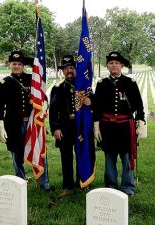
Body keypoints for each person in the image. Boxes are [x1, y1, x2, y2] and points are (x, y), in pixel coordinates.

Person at [0, 49, 50, 190]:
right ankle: (20, 183)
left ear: (23, 65)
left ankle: (44, 184)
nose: (16, 66)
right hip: (14, 124)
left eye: (19, 63)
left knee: (39, 151)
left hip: (32, 123)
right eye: (14, 63)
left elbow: (43, 97)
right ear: (10, 65)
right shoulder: (4, 83)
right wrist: (0, 125)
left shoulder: (32, 79)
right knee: (17, 153)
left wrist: (44, 105)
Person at [93, 51, 145, 196]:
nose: (114, 65)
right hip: (107, 127)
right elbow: (96, 107)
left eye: (116, 63)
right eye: (111, 63)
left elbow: (139, 106)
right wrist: (96, 126)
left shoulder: (130, 83)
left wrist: (140, 124)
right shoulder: (101, 84)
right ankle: (111, 186)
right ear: (107, 66)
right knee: (109, 157)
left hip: (125, 127)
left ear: (122, 65)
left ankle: (128, 187)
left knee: (127, 157)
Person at [49, 55, 95, 197]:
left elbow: (95, 102)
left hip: (80, 127)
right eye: (66, 68)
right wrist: (55, 128)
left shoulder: (84, 87)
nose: (69, 70)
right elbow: (53, 111)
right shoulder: (57, 89)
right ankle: (68, 186)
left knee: (83, 155)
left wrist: (90, 101)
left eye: (71, 68)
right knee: (66, 157)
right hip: (64, 128)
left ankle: (83, 182)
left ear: (76, 69)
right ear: (62, 71)